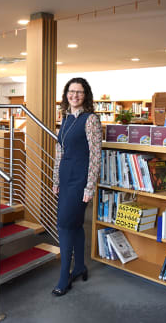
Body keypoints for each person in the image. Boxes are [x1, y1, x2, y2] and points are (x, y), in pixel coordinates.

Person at [51, 77, 102, 296]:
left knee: (63, 225)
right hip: (65, 177)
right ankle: (79, 266)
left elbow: (95, 155)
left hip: (79, 180)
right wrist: (55, 180)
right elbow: (59, 151)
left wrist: (90, 187)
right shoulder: (66, 118)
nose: (75, 95)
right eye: (71, 91)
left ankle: (65, 276)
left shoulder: (91, 120)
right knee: (75, 224)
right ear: (66, 94)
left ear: (86, 95)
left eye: (79, 92)